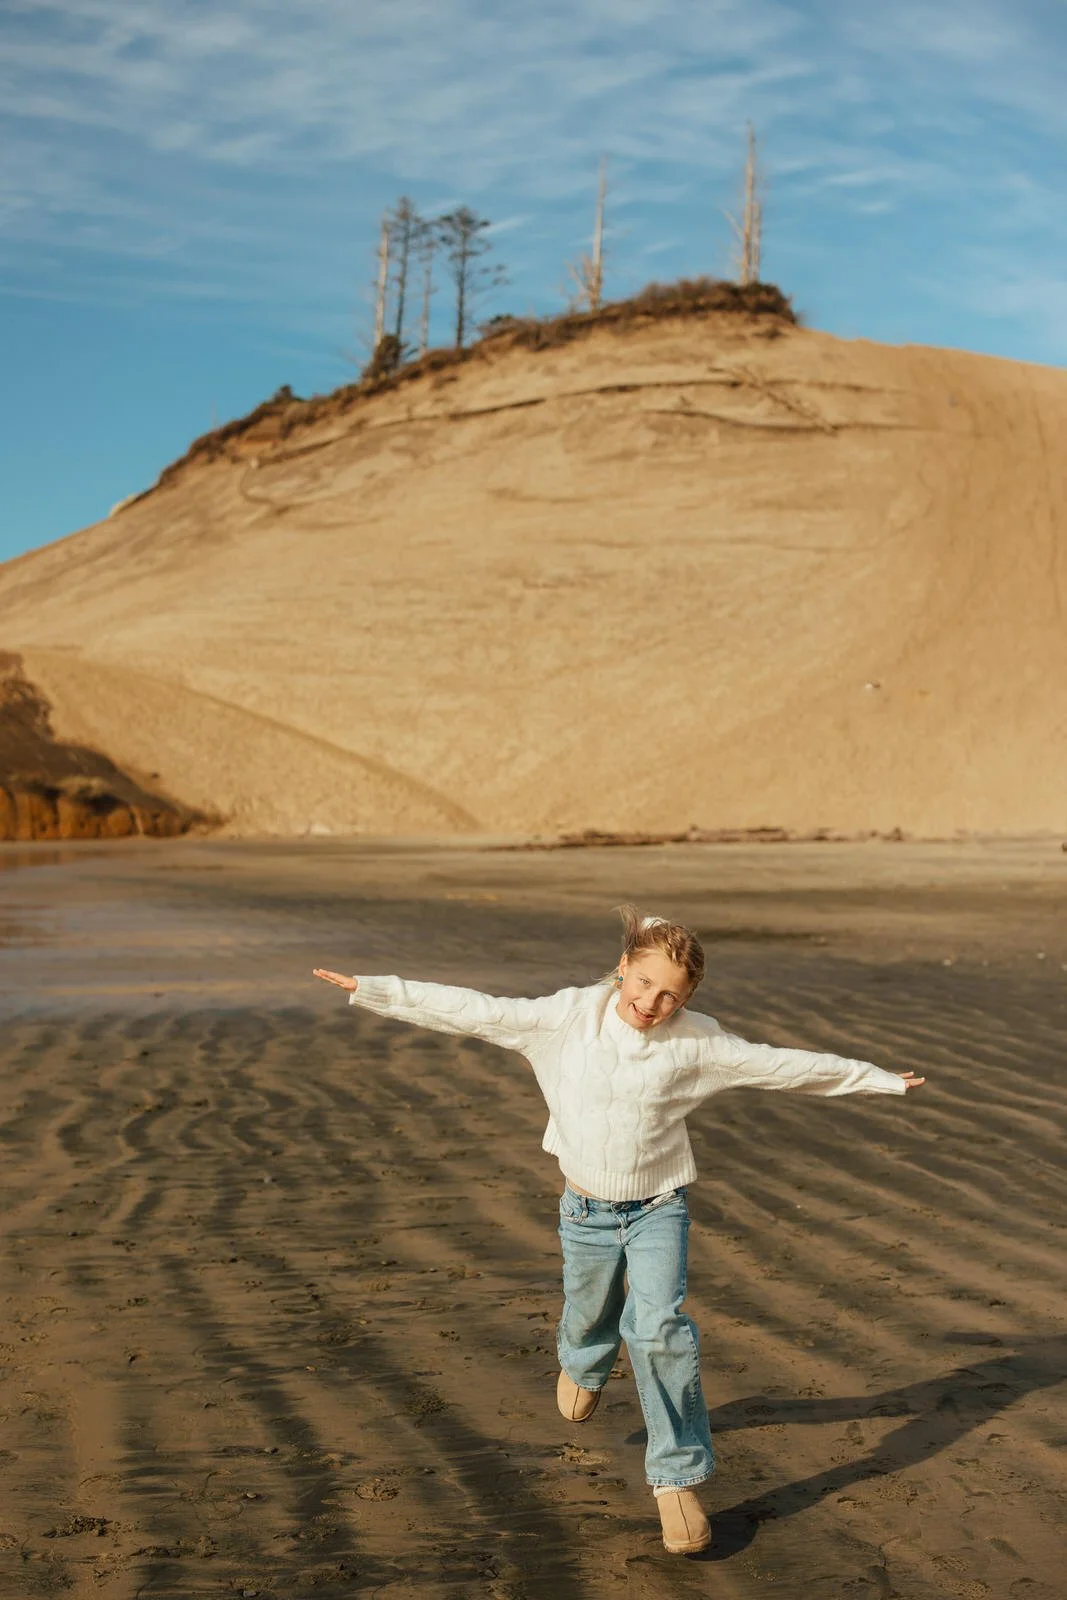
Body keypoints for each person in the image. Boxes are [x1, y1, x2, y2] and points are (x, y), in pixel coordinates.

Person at [314, 906, 924, 1555]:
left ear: (686, 1000)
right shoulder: (563, 1020)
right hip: (585, 1213)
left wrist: (874, 1078)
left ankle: (675, 1482)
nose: (650, 1003)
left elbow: (781, 1066)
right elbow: (476, 1010)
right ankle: (583, 1360)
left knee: (658, 1328)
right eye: (642, 984)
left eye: (670, 995)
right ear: (621, 970)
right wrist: (376, 990)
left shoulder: (697, 1044)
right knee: (588, 1316)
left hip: (659, 1207)